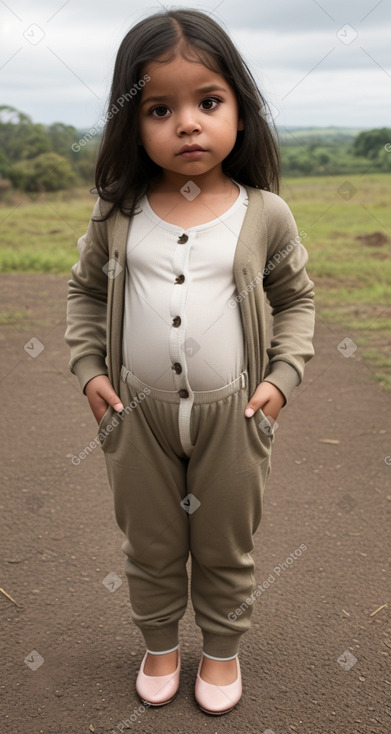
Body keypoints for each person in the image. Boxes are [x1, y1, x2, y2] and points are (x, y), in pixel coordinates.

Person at [65, 7, 315, 716]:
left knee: (224, 544)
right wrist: (89, 370)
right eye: (158, 107)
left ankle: (221, 650)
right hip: (133, 416)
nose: (187, 123)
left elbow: (295, 301)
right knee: (149, 543)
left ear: (239, 107)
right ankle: (159, 646)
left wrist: (280, 380)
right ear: (130, 122)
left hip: (233, 418)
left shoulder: (264, 213)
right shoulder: (116, 212)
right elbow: (84, 295)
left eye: (208, 102)